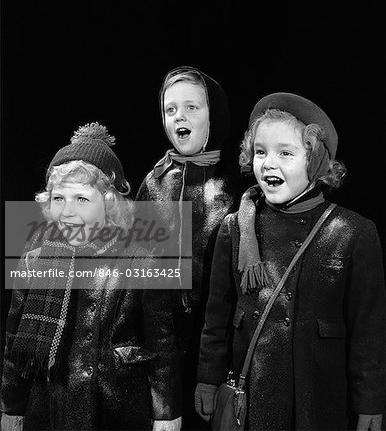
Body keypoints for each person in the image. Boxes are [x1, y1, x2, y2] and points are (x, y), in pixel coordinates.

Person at [195, 93, 386, 430]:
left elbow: (368, 329)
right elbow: (217, 316)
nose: (269, 163)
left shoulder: (353, 232)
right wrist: (207, 380)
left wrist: (369, 401)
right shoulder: (235, 228)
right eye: (260, 151)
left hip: (319, 396)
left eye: (286, 152)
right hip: (253, 393)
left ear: (314, 162)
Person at [1, 123, 182, 430]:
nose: (68, 212)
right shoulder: (35, 258)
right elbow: (15, 341)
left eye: (82, 199)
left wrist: (165, 413)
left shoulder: (141, 259)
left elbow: (161, 343)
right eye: (59, 199)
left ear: (109, 203)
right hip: (51, 403)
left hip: (118, 406)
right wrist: (12, 407)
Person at [135, 66, 237, 429]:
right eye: (171, 109)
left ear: (216, 113)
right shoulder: (154, 182)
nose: (180, 116)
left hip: (220, 337)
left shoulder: (238, 184)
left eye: (192, 107)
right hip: (164, 336)